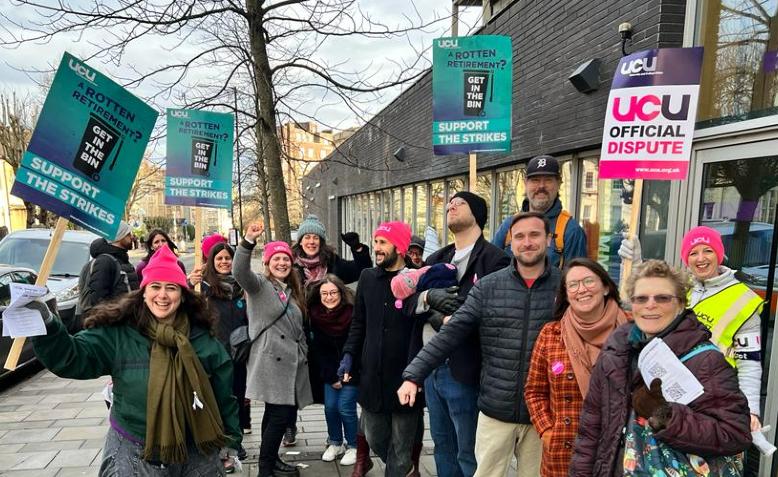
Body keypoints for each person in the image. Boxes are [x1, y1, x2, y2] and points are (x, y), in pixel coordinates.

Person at [31, 245, 242, 476]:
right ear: (143, 291)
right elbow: (72, 357)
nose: (162, 295)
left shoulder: (203, 339)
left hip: (198, 450)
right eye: (155, 287)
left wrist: (231, 441)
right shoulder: (119, 333)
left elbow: (224, 395)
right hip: (134, 451)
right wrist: (48, 323)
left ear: (182, 296)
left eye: (171, 288)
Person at [399, 211, 561, 477]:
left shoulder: (565, 286)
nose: (527, 242)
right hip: (495, 411)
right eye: (519, 236)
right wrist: (414, 375)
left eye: (535, 235)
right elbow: (452, 333)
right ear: (510, 242)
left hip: (542, 414)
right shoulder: (489, 287)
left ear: (548, 239)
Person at [570, 259, 752, 476]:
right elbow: (591, 430)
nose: (650, 305)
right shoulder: (616, 350)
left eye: (662, 298)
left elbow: (735, 433)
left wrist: (664, 416)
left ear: (681, 304)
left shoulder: (706, 361)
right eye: (641, 298)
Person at [404, 191, 510, 477]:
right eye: (449, 203)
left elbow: (490, 312)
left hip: (464, 369)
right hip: (431, 368)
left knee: (469, 450)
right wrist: (428, 297)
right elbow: (407, 303)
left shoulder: (495, 260)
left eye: (459, 203)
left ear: (477, 213)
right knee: (442, 445)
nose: (450, 205)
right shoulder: (437, 257)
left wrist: (446, 317)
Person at [619, 226, 764, 430]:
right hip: (667, 387)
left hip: (713, 394)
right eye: (693, 253)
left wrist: (750, 410)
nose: (700, 258)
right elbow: (642, 302)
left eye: (708, 250)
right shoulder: (680, 288)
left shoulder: (742, 299)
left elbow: (749, 363)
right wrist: (635, 263)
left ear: (719, 254)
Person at [524, 258, 628, 476]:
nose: (581, 290)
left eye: (588, 281)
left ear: (606, 287)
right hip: (564, 452)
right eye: (572, 285)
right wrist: (547, 432)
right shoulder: (551, 334)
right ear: (566, 293)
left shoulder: (632, 332)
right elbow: (534, 392)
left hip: (617, 451)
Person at [338, 221, 423, 477]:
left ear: (400, 246)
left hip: (406, 377)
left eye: (382, 242)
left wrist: (417, 374)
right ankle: (406, 470)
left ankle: (400, 469)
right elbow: (358, 323)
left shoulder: (417, 278)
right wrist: (349, 355)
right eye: (375, 242)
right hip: (372, 375)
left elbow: (421, 332)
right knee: (374, 435)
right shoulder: (367, 277)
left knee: (402, 444)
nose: (377, 248)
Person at [233, 223, 313, 477]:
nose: (282, 263)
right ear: (267, 263)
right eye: (276, 258)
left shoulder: (291, 289)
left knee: (275, 414)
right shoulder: (259, 286)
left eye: (285, 259)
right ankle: (265, 469)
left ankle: (272, 459)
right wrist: (247, 242)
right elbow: (239, 271)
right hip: (270, 361)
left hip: (290, 361)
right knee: (280, 416)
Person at [288, 214, 372, 447]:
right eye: (307, 237)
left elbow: (362, 270)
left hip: (326, 331)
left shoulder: (332, 262)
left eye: (316, 237)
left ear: (321, 241)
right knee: (295, 381)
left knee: (331, 392)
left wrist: (357, 247)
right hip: (299, 328)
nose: (311, 241)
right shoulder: (291, 264)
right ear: (300, 241)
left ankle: (339, 439)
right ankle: (289, 425)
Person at [188, 238, 249, 473]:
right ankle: (220, 447)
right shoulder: (202, 288)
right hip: (214, 354)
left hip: (239, 354)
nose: (224, 262)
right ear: (212, 262)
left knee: (237, 399)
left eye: (228, 258)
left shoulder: (241, 286)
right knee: (217, 400)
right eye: (219, 258)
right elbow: (184, 307)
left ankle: (236, 442)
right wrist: (187, 284)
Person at [491, 154, 587, 268]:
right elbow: (489, 267)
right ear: (525, 184)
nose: (541, 186)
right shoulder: (508, 225)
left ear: (558, 184)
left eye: (548, 180)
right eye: (535, 180)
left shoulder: (571, 230)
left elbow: (575, 279)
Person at [307, 275, 359, 466]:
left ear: (341, 293)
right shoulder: (314, 316)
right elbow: (317, 351)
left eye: (333, 292)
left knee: (345, 407)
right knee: (330, 407)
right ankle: (335, 442)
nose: (329, 297)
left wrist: (347, 372)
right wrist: (331, 376)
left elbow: (358, 344)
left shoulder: (352, 313)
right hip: (329, 371)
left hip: (353, 369)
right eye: (324, 293)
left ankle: (354, 445)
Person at [77, 221, 141, 321]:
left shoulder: (121, 259)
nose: (132, 237)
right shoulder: (105, 261)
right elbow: (99, 300)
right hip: (114, 325)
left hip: (126, 322)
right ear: (119, 237)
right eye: (128, 234)